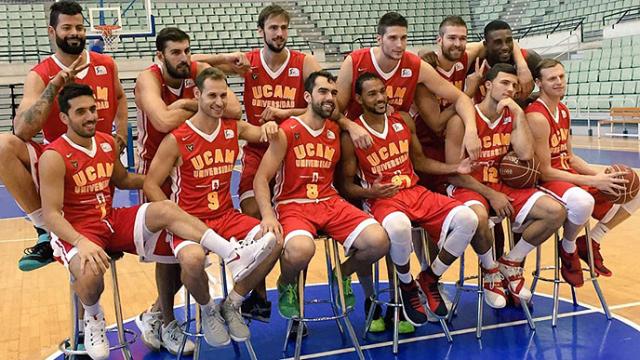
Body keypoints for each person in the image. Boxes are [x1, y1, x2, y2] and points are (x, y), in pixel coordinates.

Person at [39, 84, 276, 359]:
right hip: (78, 229)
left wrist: (157, 176)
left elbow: (124, 180)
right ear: (64, 118)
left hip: (110, 220)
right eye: (81, 112)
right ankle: (93, 319)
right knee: (91, 273)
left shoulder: (104, 142)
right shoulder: (54, 156)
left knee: (165, 209)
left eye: (93, 109)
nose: (91, 116)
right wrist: (81, 242)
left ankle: (231, 254)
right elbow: (51, 214)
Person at [193, 4, 323, 321]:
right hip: (256, 147)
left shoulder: (303, 62)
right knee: (254, 215)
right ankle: (259, 295)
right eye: (273, 28)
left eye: (283, 28)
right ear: (261, 31)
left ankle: (291, 291)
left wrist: (284, 115)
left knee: (294, 224)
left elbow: (322, 104)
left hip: (293, 148)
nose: (279, 34)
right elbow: (193, 64)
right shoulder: (249, 62)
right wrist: (225, 60)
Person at [340, 72, 496, 326]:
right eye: (372, 93)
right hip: (383, 200)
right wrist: (370, 192)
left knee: (468, 218)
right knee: (400, 226)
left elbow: (420, 161)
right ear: (359, 98)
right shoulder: (352, 136)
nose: (380, 97)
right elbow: (346, 186)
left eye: (382, 91)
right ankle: (407, 285)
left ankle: (430, 277)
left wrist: (456, 168)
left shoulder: (402, 121)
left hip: (415, 192)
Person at [144, 67, 282, 350]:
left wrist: (271, 126)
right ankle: (208, 310)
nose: (219, 102)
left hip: (226, 215)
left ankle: (232, 304)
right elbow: (150, 184)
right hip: (190, 221)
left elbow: (261, 135)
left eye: (223, 95)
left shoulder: (234, 128)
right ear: (197, 95)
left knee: (275, 240)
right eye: (212, 96)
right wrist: (171, 215)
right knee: (193, 261)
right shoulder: (177, 138)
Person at [133, 26, 252, 353]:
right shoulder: (148, 79)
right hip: (158, 169)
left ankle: (157, 312)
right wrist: (195, 105)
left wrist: (194, 103)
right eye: (176, 52)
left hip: (194, 162)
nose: (184, 58)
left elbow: (235, 110)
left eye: (188, 51)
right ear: (160, 56)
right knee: (167, 255)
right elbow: (161, 120)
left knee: (185, 253)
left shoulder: (194, 70)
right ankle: (166, 321)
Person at [0, 0, 128, 272]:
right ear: (51, 32)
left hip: (99, 161)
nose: (75, 33)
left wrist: (122, 133)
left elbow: (120, 97)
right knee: (3, 145)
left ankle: (103, 229)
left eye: (80, 27)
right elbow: (22, 130)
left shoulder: (106, 64)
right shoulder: (40, 74)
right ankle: (46, 231)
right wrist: (55, 85)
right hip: (58, 162)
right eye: (67, 27)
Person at [254, 71, 389, 319]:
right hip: (293, 204)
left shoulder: (335, 130)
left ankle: (341, 274)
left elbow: (336, 118)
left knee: (379, 241)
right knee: (300, 250)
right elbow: (261, 178)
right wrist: (267, 216)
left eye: (334, 93)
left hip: (329, 201)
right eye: (323, 92)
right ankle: (286, 283)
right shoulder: (286, 131)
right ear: (307, 96)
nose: (330, 97)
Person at [445, 64, 567, 305]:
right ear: (488, 85)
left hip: (503, 185)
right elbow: (453, 173)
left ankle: (511, 262)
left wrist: (519, 114)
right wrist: (490, 195)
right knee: (478, 217)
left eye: (514, 85)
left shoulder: (513, 116)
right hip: (470, 186)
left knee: (555, 212)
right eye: (504, 83)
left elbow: (524, 154)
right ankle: (490, 270)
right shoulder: (460, 122)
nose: (510, 89)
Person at [527, 58, 640, 281]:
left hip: (567, 175)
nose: (559, 82)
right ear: (539, 83)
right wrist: (595, 182)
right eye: (552, 78)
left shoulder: (563, 109)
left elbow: (570, 157)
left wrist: (599, 176)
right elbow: (545, 171)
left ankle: (591, 240)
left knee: (633, 189)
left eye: (561, 76)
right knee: (583, 202)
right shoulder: (537, 116)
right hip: (548, 182)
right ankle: (568, 248)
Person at [336, 12, 481, 161]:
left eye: (403, 38)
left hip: (396, 143)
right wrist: (350, 126)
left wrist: (471, 131)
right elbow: (336, 110)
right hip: (358, 139)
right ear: (379, 39)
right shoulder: (355, 61)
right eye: (392, 38)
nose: (399, 44)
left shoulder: (416, 66)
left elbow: (460, 98)